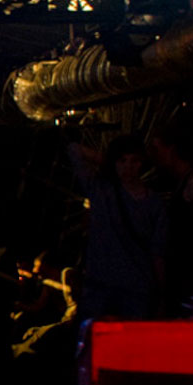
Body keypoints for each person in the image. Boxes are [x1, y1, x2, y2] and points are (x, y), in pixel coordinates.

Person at [72, 134, 168, 319]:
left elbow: (158, 252)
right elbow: (74, 149)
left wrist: (161, 294)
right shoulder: (102, 191)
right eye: (122, 161)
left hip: (128, 289)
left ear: (142, 163)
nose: (128, 167)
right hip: (107, 286)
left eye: (134, 161)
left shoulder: (154, 204)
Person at [148, 123, 193, 316]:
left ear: (171, 149)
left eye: (157, 149)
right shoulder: (182, 182)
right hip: (185, 273)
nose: (154, 156)